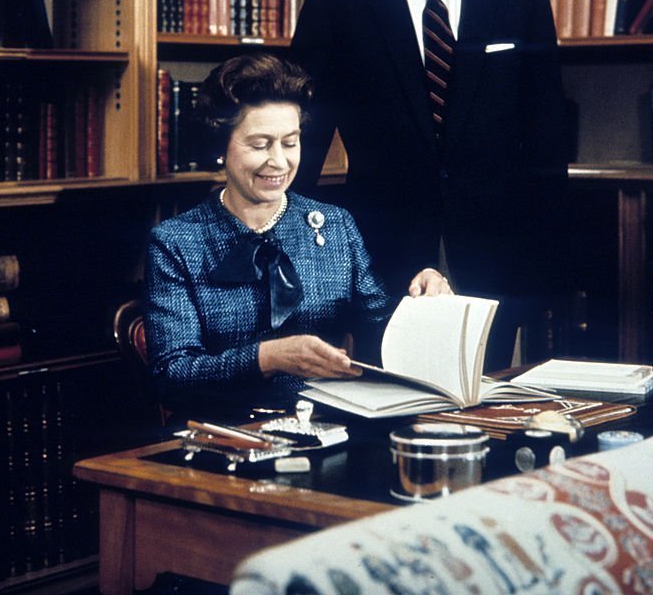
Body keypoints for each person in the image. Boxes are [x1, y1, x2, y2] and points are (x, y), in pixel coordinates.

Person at [291, 0, 568, 368]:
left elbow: (546, 141)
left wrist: (543, 263)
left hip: (497, 254)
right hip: (382, 253)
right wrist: (296, 254)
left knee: (488, 409)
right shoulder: (336, 7)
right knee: (389, 406)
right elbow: (303, 138)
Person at [144, 52, 451, 417]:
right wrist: (268, 358)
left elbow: (381, 331)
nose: (279, 161)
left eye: (290, 143)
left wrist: (425, 302)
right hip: (224, 438)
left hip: (326, 429)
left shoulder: (334, 225)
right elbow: (172, 376)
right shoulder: (177, 242)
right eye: (260, 145)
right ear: (220, 147)